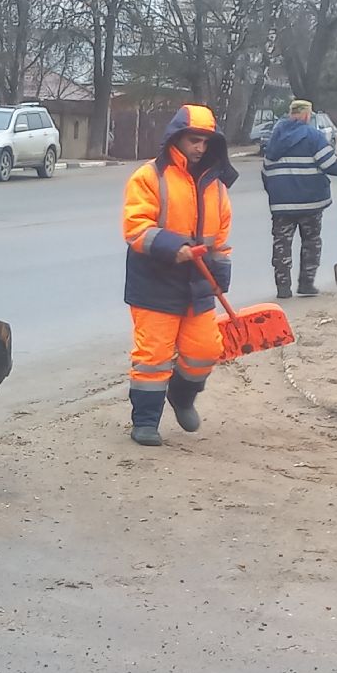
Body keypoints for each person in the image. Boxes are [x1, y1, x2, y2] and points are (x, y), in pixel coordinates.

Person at [121, 105, 236, 447]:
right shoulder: (149, 177)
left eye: (205, 142)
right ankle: (145, 422)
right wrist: (174, 247)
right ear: (177, 138)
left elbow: (220, 240)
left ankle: (181, 396)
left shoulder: (216, 186)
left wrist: (219, 278)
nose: (200, 147)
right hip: (154, 281)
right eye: (193, 140)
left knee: (206, 350)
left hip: (198, 283)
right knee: (153, 356)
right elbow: (136, 228)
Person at [261, 98, 337, 298]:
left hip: (282, 204)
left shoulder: (275, 138)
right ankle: (306, 284)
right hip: (310, 201)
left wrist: (276, 193)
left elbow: (265, 171)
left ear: (291, 114)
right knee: (311, 241)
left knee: (281, 244)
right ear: (307, 115)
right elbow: (329, 164)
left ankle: (283, 287)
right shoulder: (313, 136)